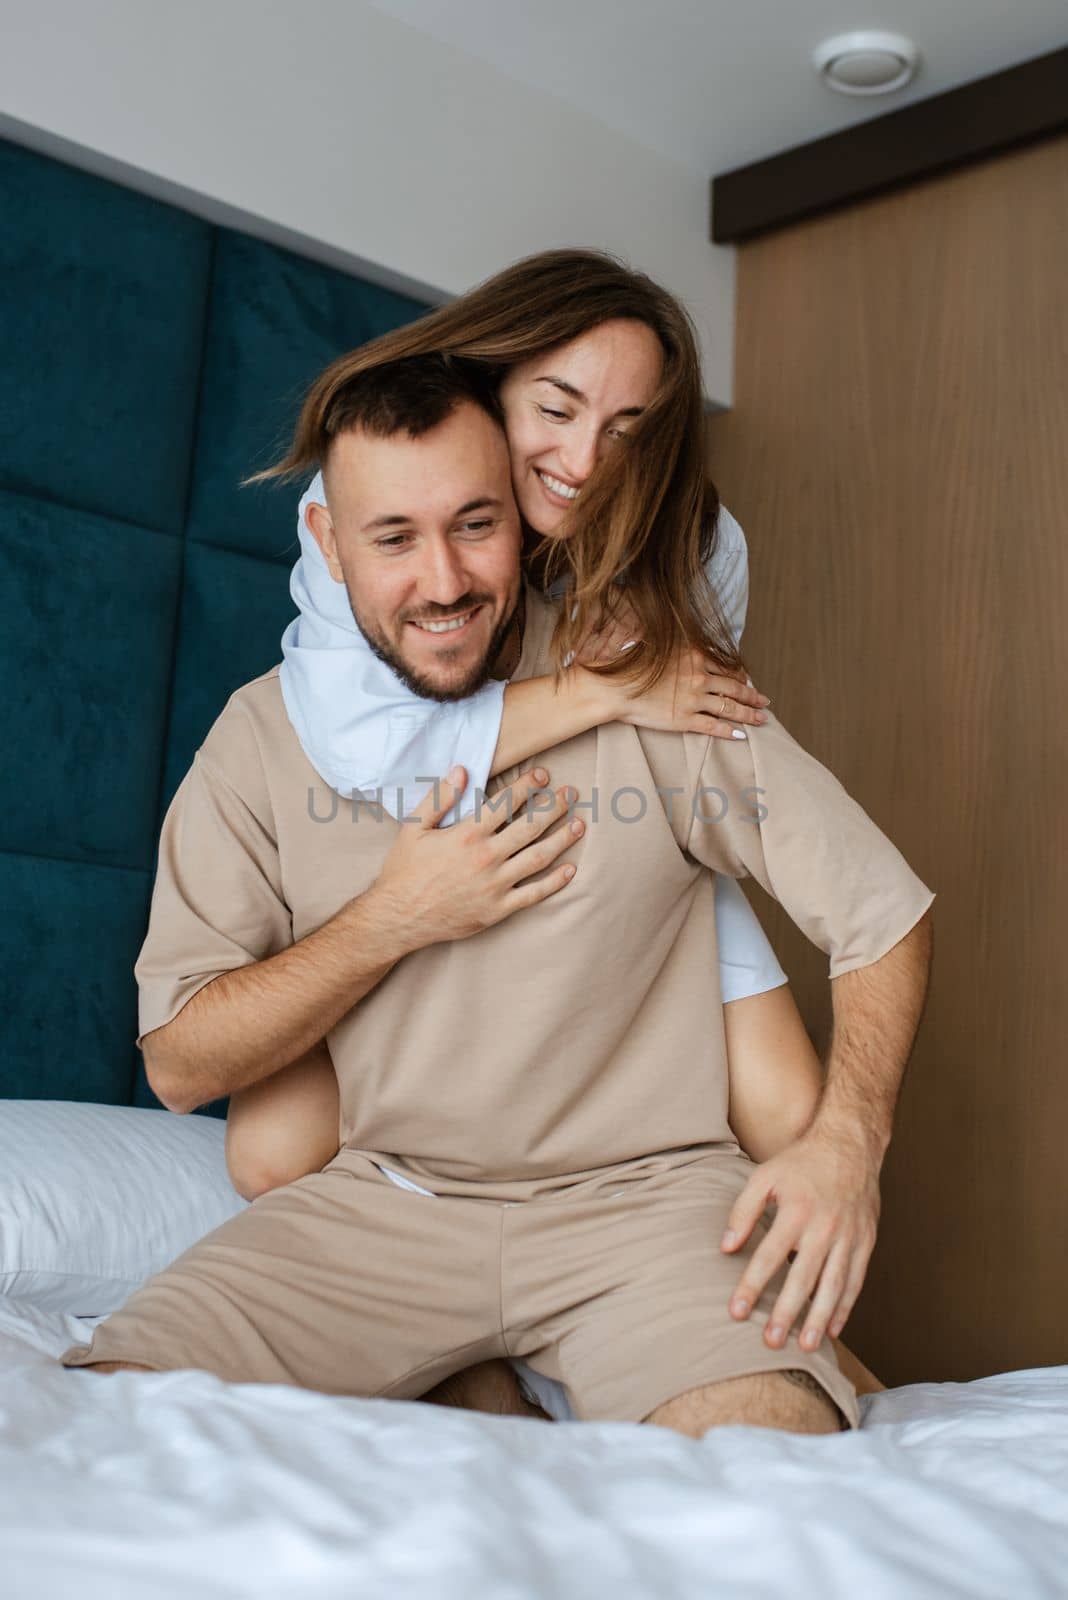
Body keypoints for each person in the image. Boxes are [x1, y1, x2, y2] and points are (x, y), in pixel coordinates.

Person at [58, 354, 933, 1440]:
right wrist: (393, 918)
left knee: (774, 1471)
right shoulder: (262, 741)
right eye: (393, 538)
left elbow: (881, 909)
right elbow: (183, 1064)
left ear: (522, 519)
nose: (443, 580)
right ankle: (470, 1381)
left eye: (476, 525)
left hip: (650, 1212)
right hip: (384, 1212)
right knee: (99, 1427)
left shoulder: (652, 684)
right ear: (330, 545)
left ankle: (486, 1385)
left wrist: (848, 1142)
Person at [223, 250, 889, 1414]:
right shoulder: (367, 514)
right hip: (438, 822)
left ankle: (813, 1363)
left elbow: (690, 739)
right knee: (272, 1155)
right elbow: (373, 752)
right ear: (492, 381)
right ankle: (465, 1342)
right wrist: (607, 689)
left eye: (629, 427)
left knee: (791, 1113)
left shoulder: (701, 541)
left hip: (633, 839)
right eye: (558, 408)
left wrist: (639, 698)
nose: (586, 461)